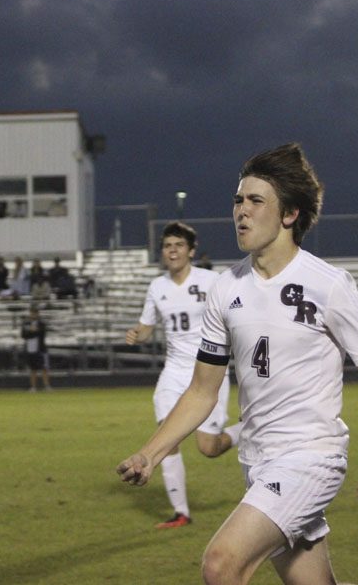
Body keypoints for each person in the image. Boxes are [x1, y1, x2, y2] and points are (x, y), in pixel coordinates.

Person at [117, 143, 358, 584]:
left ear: (289, 214)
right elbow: (201, 391)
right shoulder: (225, 288)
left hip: (312, 458)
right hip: (258, 462)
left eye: (255, 201)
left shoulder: (328, 285)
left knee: (221, 563)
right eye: (237, 200)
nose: (241, 212)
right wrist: (150, 454)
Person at [125, 221, 240, 529]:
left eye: (178, 245)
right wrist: (139, 333)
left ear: (190, 251)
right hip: (174, 371)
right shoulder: (157, 286)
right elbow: (148, 326)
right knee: (167, 435)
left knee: (208, 448)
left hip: (209, 370)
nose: (172, 250)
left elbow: (236, 313)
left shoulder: (212, 280)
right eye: (167, 246)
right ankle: (181, 513)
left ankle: (250, 429)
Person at [21, 306, 51, 392]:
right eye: (32, 313)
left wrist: (32, 332)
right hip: (30, 349)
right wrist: (32, 331)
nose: (33, 315)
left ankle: (46, 386)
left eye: (35, 313)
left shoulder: (42, 323)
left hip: (41, 348)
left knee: (44, 368)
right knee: (33, 369)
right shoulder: (26, 323)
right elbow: (23, 335)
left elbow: (42, 333)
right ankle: (33, 387)